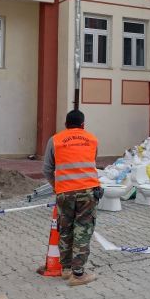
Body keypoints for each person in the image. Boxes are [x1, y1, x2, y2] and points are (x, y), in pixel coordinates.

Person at [42, 110, 102, 286]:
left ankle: (66, 269)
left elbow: (47, 169)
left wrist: (57, 187)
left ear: (65, 124)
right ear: (83, 125)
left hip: (65, 193)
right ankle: (78, 274)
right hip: (87, 192)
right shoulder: (92, 139)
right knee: (83, 229)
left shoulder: (55, 140)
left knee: (65, 228)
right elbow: (92, 162)